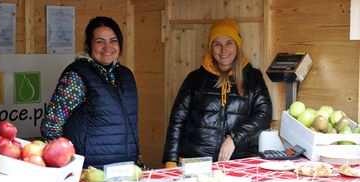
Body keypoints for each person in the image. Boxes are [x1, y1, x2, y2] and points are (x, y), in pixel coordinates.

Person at [162, 19, 272, 167]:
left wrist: (234, 138)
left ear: (237, 45)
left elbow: (264, 114)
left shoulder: (253, 78)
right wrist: (171, 159)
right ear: (211, 48)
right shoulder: (195, 78)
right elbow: (177, 119)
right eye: (217, 44)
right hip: (194, 162)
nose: (223, 50)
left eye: (229, 43)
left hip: (235, 162)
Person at [41, 16, 139, 169]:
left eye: (113, 41)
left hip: (124, 169)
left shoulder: (126, 75)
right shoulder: (77, 76)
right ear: (89, 45)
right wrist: (63, 164)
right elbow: (51, 124)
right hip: (88, 170)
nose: (108, 47)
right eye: (100, 41)